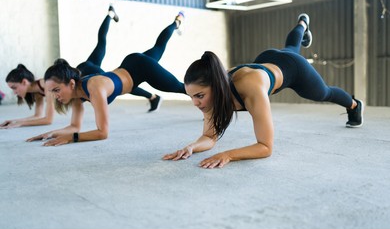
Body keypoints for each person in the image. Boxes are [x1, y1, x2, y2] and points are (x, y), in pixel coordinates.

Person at [163, 13, 364, 169]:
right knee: (290, 47)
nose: (196, 103)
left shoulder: (250, 89)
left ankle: (354, 105)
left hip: (293, 69)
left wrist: (228, 155)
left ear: (216, 86)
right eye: (192, 97)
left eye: (199, 96)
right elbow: (209, 138)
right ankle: (302, 24)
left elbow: (265, 147)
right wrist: (191, 147)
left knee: (323, 92)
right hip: (265, 59)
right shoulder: (211, 94)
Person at [27, 11, 186, 146]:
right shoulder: (76, 96)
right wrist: (52, 133)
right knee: (158, 48)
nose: (55, 96)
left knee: (181, 88)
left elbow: (102, 133)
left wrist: (70, 138)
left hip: (142, 68)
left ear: (71, 83)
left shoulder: (94, 88)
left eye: (56, 90)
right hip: (129, 65)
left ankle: (176, 24)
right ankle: (177, 22)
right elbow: (75, 127)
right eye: (51, 92)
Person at [1, 64, 56, 128]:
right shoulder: (37, 91)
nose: (14, 92)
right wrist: (14, 121)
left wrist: (21, 124)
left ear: (24, 82)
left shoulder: (46, 85)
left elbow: (48, 120)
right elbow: (38, 115)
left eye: (14, 87)